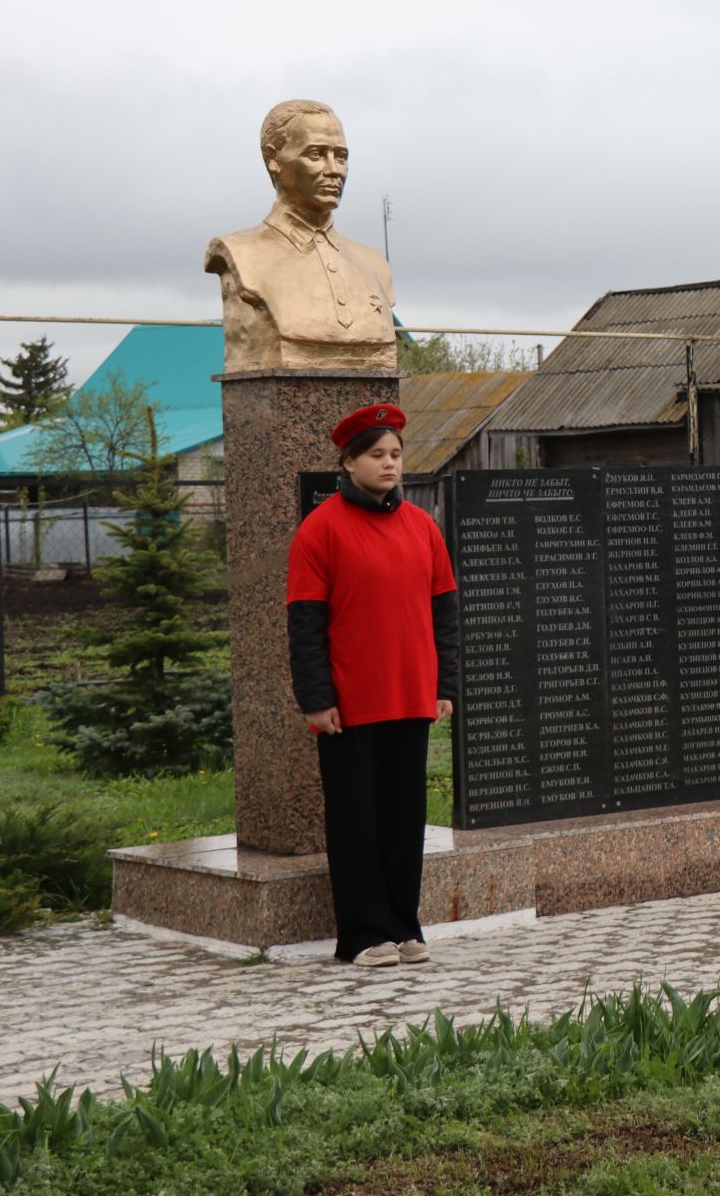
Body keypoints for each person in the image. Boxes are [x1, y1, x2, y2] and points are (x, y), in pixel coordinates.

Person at [286, 403, 458, 966]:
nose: (390, 464)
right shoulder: (320, 530)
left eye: (396, 455)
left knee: (404, 820)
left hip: (411, 698)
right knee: (356, 820)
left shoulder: (423, 528)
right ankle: (363, 935)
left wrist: (445, 685)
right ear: (350, 462)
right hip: (350, 706)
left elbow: (445, 617)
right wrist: (316, 699)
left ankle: (406, 928)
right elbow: (305, 625)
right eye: (377, 455)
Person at [204, 99, 398, 372]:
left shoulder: (373, 264)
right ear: (274, 160)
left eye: (341, 156)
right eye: (316, 154)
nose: (334, 170)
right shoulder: (240, 253)